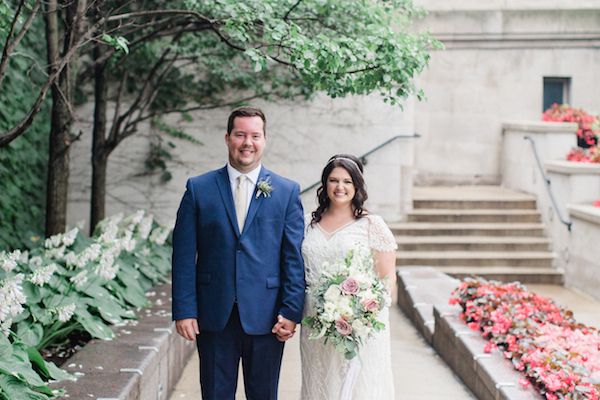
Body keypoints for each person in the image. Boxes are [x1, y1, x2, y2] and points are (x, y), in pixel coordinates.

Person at [171, 106, 305, 400]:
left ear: (265, 140)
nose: (247, 142)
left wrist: (291, 311)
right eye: (240, 134)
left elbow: (293, 258)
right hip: (214, 315)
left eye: (255, 136)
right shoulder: (198, 189)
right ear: (227, 137)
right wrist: (184, 310)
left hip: (268, 316)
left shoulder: (286, 191)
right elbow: (182, 255)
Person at [300, 154, 397, 399]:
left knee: (356, 387)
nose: (340, 187)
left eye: (347, 181)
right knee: (320, 381)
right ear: (325, 185)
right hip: (316, 322)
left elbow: (387, 281)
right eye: (333, 180)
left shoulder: (371, 224)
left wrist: (360, 315)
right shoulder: (309, 224)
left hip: (359, 327)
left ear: (357, 186)